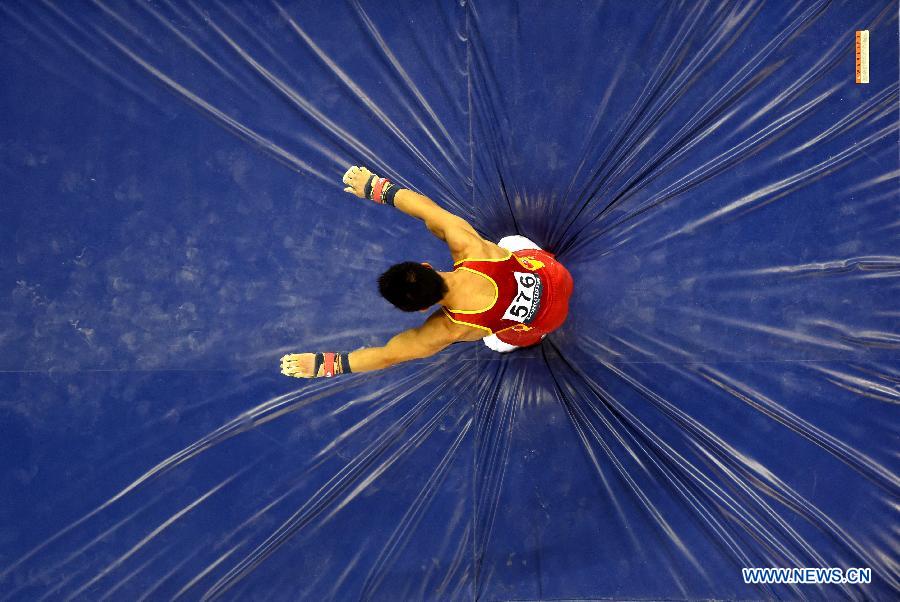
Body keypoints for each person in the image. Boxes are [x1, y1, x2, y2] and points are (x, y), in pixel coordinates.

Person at [280, 166, 574, 378]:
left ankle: (526, 335)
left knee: (493, 340)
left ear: (422, 309)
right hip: (556, 275)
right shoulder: (470, 247)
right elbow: (427, 210)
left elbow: (387, 356)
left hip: (547, 323)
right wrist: (376, 187)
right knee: (508, 244)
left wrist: (326, 364)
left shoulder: (449, 329)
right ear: (425, 266)